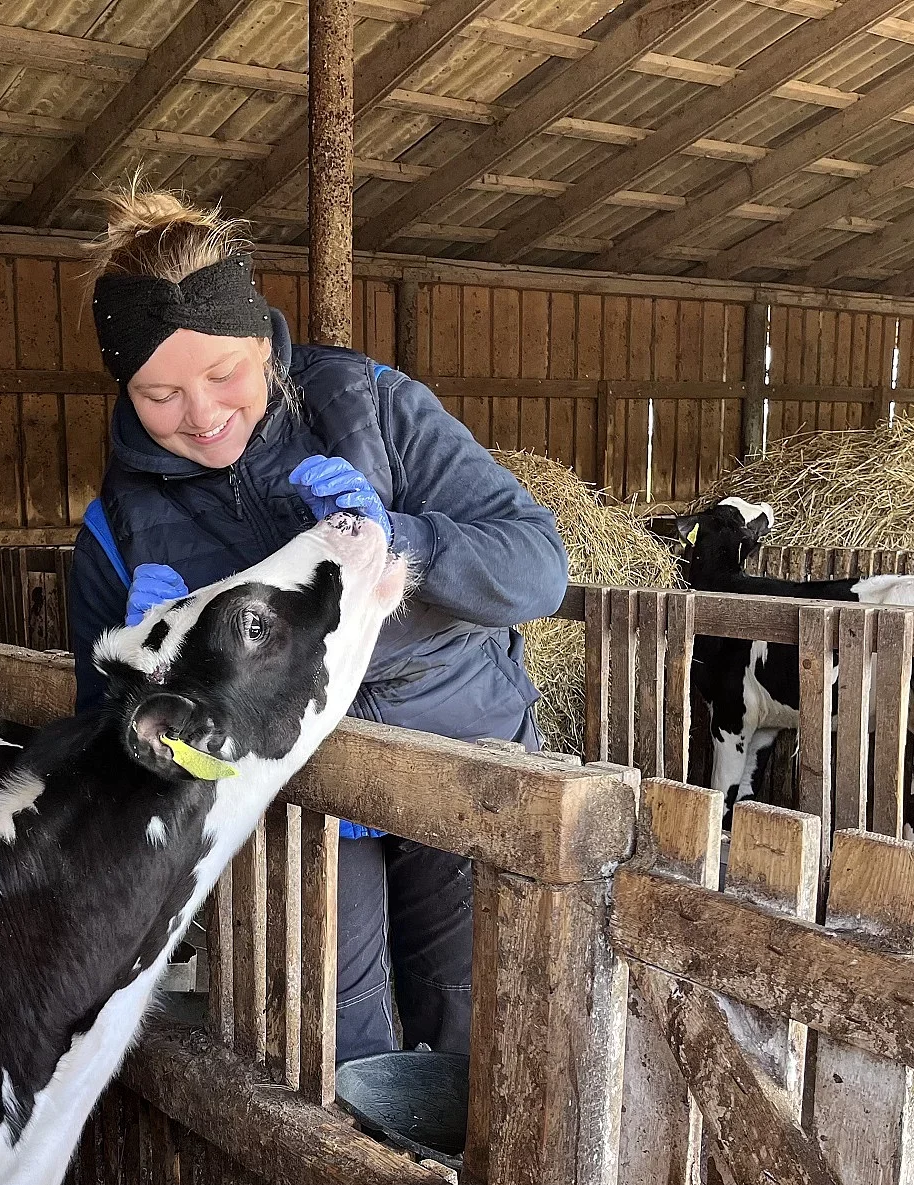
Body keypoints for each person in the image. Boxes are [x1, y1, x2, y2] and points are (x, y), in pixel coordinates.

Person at [68, 189, 568, 1062]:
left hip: (462, 758)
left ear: (263, 338)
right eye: (159, 393)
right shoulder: (119, 524)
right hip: (299, 803)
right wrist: (142, 666)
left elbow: (538, 566)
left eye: (223, 373)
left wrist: (399, 543)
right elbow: (105, 740)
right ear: (126, 388)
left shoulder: (374, 409)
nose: (200, 414)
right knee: (332, 1037)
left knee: (477, 1013)